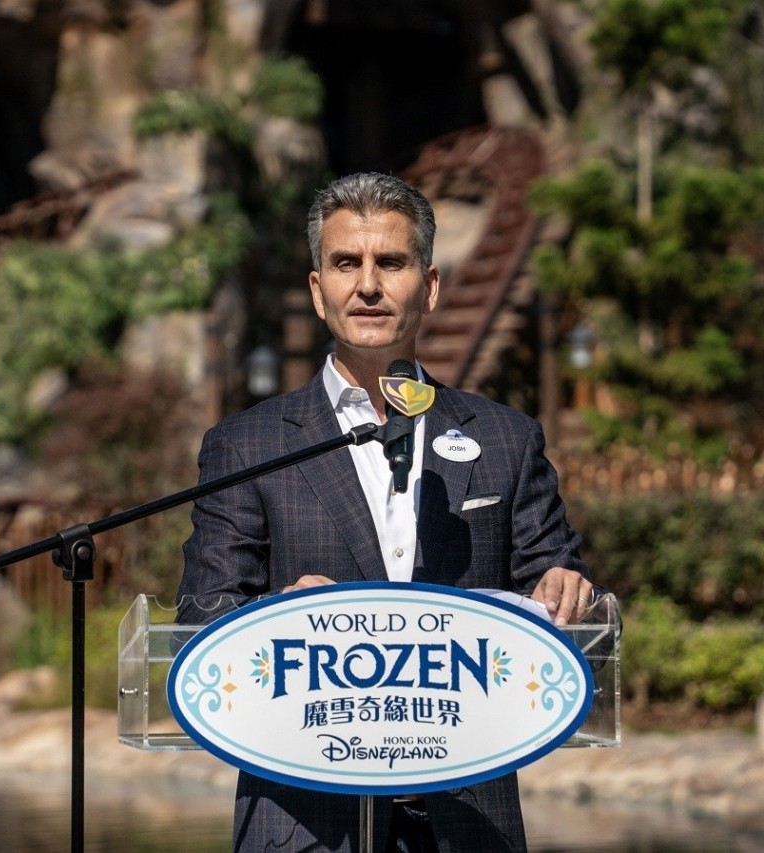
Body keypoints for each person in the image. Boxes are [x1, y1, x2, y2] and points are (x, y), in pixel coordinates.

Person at [176, 172, 598, 853]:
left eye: (391, 263)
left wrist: (563, 585)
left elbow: (555, 575)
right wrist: (276, 617)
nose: (368, 285)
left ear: (428, 287)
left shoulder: (505, 439)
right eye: (346, 263)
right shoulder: (248, 445)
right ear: (319, 290)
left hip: (469, 825)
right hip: (306, 824)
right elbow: (202, 615)